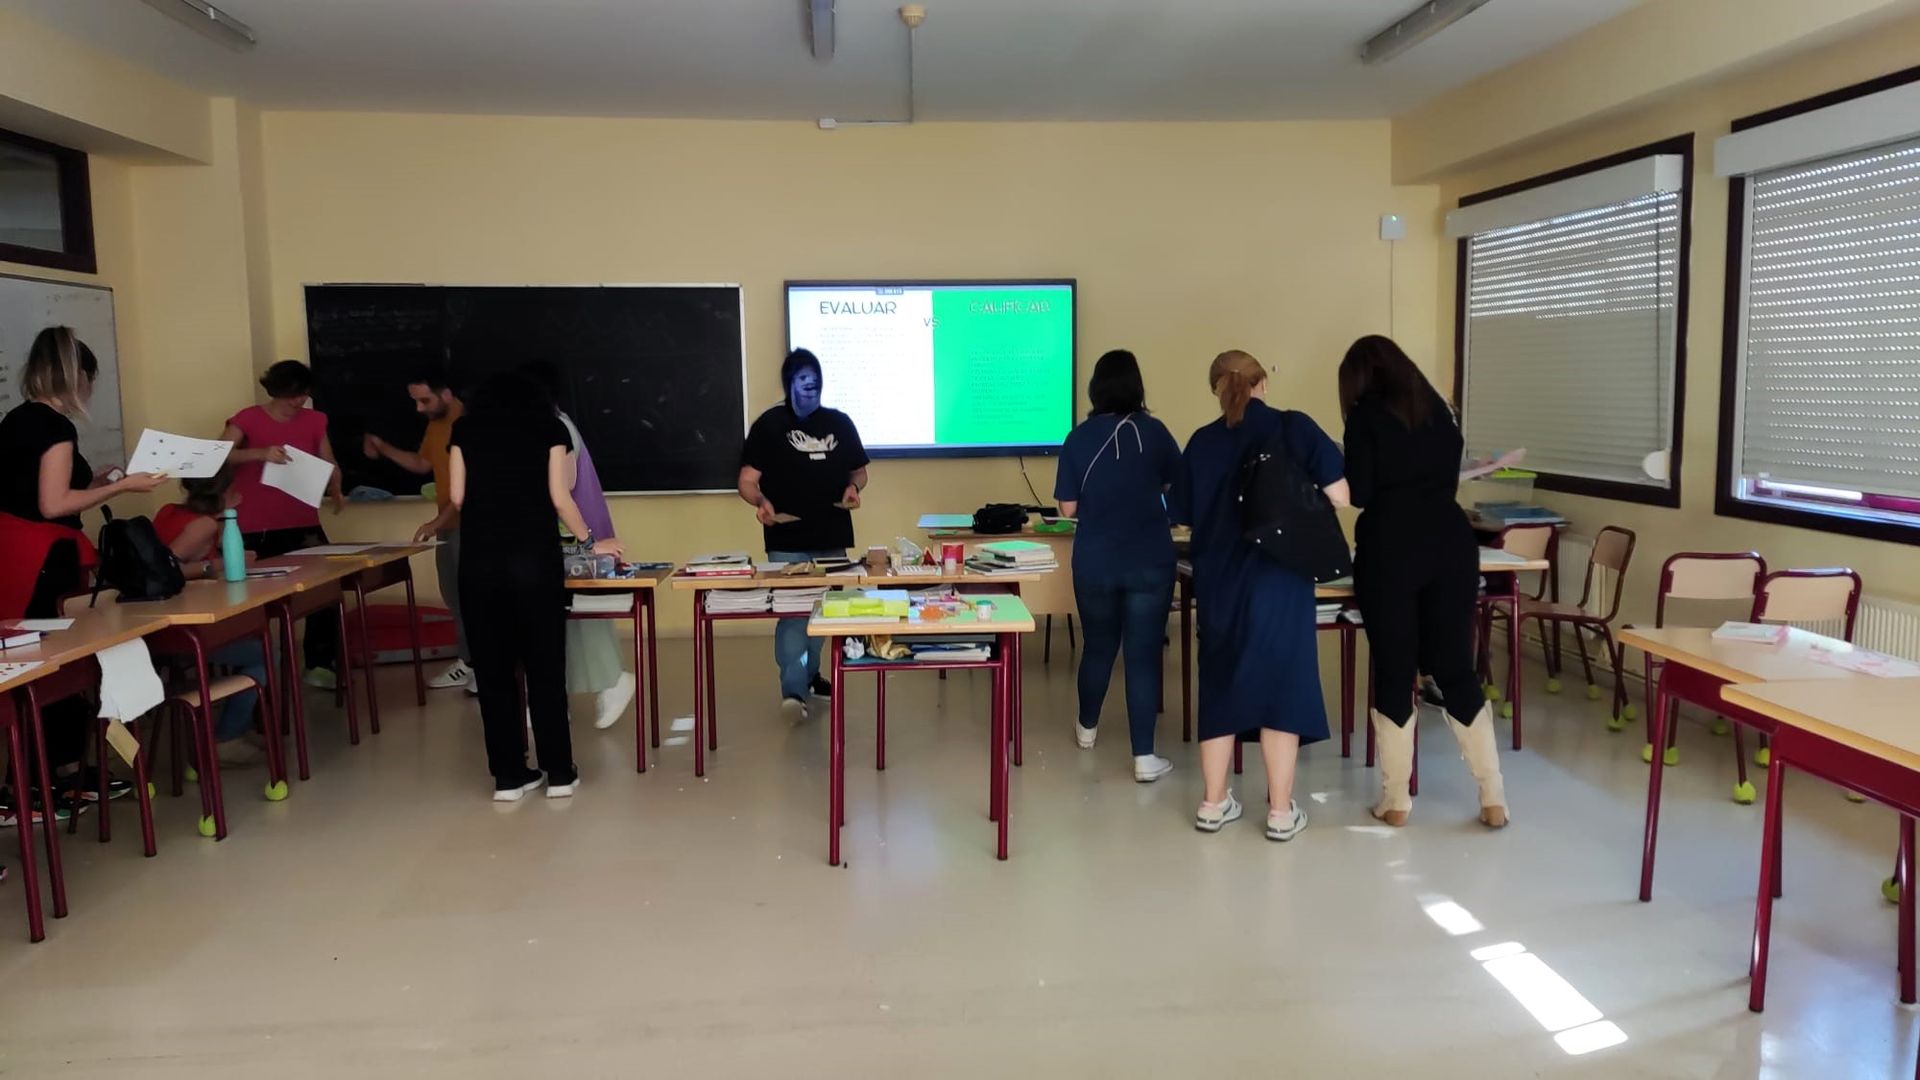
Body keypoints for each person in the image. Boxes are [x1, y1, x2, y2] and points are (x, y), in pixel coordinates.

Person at [1179, 350, 1349, 840]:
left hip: (1219, 581)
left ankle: (1213, 804)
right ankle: (1279, 812)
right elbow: (1341, 495)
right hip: (1281, 578)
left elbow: (1184, 514)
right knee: (1283, 687)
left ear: (1216, 390)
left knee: (1220, 682)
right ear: (1263, 383)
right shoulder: (1295, 427)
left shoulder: (1202, 442)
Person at [1340, 335, 1507, 829]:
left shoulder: (1365, 416)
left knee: (1395, 670)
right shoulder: (1440, 412)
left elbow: (1361, 492)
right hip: (1452, 543)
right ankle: (1493, 798)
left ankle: (1395, 801)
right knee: (1456, 669)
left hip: (1390, 546)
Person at [0, 327, 165, 822]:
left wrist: (94, 481)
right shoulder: (56, 428)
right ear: (79, 377)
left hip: (17, 554)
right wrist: (121, 488)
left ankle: (59, 774)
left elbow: (33, 494)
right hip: (44, 558)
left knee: (38, 664)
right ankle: (35, 784)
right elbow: (54, 505)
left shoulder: (17, 420)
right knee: (56, 665)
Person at [449, 371, 621, 802]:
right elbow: (560, 497)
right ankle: (559, 773)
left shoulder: (464, 429)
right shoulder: (550, 428)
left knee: (493, 674)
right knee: (545, 671)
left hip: (479, 566)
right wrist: (590, 541)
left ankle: (509, 778)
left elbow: (456, 497)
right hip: (535, 566)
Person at [1053, 350, 1181, 783]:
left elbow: (1068, 507)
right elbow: (1176, 488)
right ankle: (1144, 757)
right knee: (1142, 656)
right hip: (1150, 560)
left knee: (1098, 646)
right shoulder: (1155, 432)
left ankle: (1086, 728)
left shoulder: (1078, 438)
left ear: (1096, 388)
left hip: (1095, 562)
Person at [737, 349, 870, 719]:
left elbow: (860, 472)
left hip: (832, 534)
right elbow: (747, 481)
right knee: (794, 614)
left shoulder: (839, 423)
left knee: (824, 611)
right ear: (789, 384)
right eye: (803, 382)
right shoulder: (769, 425)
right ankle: (793, 691)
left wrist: (853, 488)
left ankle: (811, 676)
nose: (811, 389)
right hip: (788, 540)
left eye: (815, 382)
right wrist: (761, 502)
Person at [520, 360, 636, 729]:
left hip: (576, 537)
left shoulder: (559, 428)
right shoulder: (543, 425)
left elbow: (563, 488)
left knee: (583, 617)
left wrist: (587, 542)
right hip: (560, 539)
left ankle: (612, 681)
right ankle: (555, 697)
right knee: (560, 619)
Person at [221, 360, 345, 689]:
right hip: (254, 523)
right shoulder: (248, 418)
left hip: (301, 519)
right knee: (248, 597)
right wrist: (260, 454)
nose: (298, 401)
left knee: (325, 588)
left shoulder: (316, 419)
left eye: (303, 394)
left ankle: (320, 663)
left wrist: (336, 484)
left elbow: (328, 460)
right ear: (275, 391)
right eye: (292, 395)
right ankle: (253, 668)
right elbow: (220, 454)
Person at [362, 368, 475, 695]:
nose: (419, 408)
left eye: (424, 400)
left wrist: (434, 524)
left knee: (473, 598)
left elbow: (470, 486)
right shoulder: (436, 424)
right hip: (448, 525)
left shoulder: (470, 424)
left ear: (446, 394)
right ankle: (469, 662)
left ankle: (481, 665)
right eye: (415, 401)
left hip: (472, 525)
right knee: (454, 597)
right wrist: (382, 447)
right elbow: (422, 464)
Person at [153, 468, 271, 766]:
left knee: (254, 644)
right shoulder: (203, 524)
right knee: (265, 654)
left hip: (168, 626)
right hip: (181, 633)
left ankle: (240, 727)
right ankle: (227, 738)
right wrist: (219, 564)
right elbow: (167, 569)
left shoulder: (170, 511)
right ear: (222, 491)